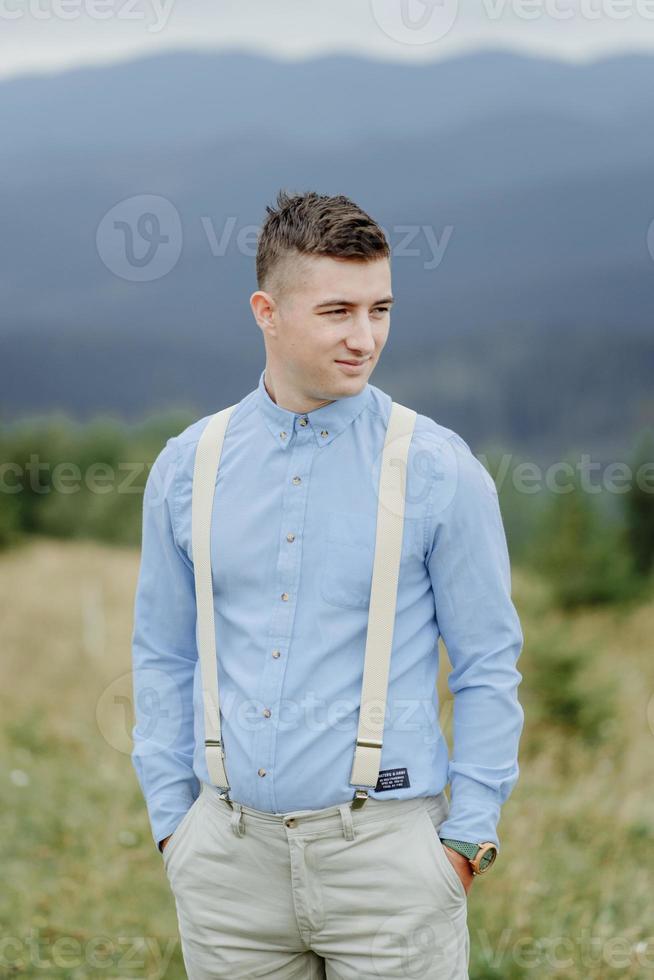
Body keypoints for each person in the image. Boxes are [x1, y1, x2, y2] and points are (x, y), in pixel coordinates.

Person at [130, 189, 524, 979]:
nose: (365, 337)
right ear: (266, 311)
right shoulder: (188, 466)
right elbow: (161, 654)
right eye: (337, 311)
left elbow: (488, 664)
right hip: (226, 867)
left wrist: (464, 841)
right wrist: (176, 824)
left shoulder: (439, 468)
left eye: (381, 309)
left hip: (389, 865)